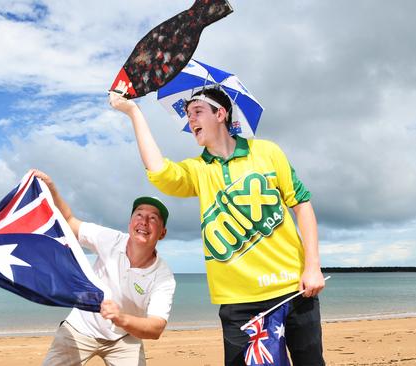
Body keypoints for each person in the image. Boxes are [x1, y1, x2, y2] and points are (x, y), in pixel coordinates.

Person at [109, 85, 326, 365]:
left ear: (221, 114)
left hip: (293, 289)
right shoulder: (198, 170)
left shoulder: (267, 152)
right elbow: (158, 170)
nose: (191, 120)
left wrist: (312, 266)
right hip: (237, 302)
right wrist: (133, 112)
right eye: (188, 115)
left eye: (197, 112)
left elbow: (302, 204)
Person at [34, 170, 176, 366]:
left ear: (162, 232)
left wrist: (121, 318)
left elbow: (156, 327)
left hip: (125, 337)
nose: (144, 222)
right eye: (139, 214)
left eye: (153, 218)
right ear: (130, 222)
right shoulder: (110, 239)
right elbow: (69, 222)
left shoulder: (163, 277)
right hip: (80, 327)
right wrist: (51, 189)